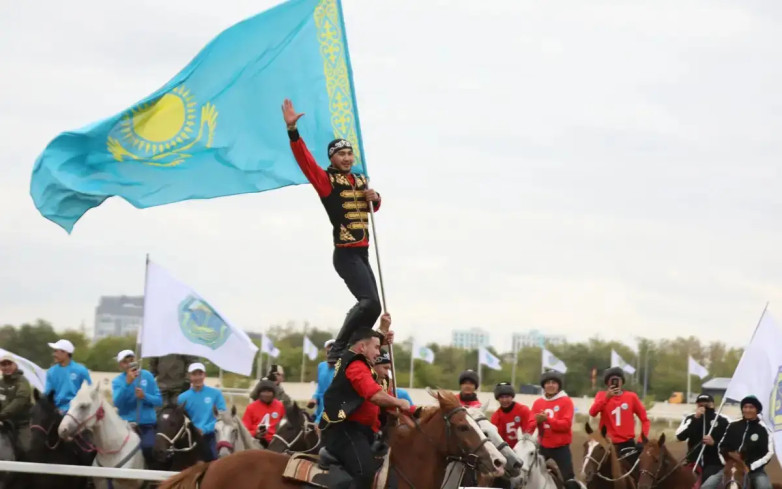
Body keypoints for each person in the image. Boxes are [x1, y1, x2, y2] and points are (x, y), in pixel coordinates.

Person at [283, 98, 383, 364]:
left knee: (374, 308)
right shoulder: (327, 182)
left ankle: (353, 348)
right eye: (341, 154)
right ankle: (338, 348)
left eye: (349, 154)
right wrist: (293, 132)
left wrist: (375, 198)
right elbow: (305, 162)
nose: (347, 158)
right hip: (346, 254)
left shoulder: (361, 180)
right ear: (332, 158)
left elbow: (371, 208)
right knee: (368, 302)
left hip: (363, 253)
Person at [321, 328, 411, 489]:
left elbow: (388, 403)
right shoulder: (356, 365)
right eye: (377, 348)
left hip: (366, 433)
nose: (379, 352)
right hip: (345, 431)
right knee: (365, 473)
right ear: (362, 347)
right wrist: (399, 402)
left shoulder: (371, 374)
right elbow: (374, 395)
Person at [701, 396, 773, 489]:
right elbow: (721, 446)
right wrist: (726, 463)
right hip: (731, 468)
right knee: (707, 486)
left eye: (751, 407)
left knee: (764, 486)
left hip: (754, 470)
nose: (747, 410)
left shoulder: (764, 429)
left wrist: (751, 466)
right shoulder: (733, 425)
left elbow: (768, 453)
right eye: (745, 407)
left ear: (757, 410)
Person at [111, 349, 162, 463]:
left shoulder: (148, 376)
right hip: (126, 424)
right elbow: (117, 403)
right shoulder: (117, 381)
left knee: (149, 447)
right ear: (120, 365)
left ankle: (150, 476)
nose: (129, 363)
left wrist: (145, 396)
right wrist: (127, 383)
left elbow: (159, 401)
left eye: (131, 359)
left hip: (146, 425)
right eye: (125, 361)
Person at [589, 367, 649, 458]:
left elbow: (645, 420)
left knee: (637, 468)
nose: (615, 382)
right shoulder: (601, 395)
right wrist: (606, 398)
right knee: (594, 465)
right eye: (612, 380)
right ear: (607, 382)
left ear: (622, 381)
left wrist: (641, 440)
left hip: (627, 443)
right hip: (607, 443)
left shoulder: (631, 397)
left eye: (618, 379)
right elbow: (592, 412)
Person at [528, 370, 575, 481]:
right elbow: (529, 426)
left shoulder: (566, 401)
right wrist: (536, 421)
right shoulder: (538, 403)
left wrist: (547, 419)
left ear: (558, 386)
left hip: (561, 448)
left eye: (554, 383)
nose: (550, 385)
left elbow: (566, 425)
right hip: (542, 447)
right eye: (548, 383)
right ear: (544, 385)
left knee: (569, 479)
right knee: (529, 474)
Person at [675, 393, 729, 484]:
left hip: (714, 463)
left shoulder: (723, 420)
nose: (704, 406)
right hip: (693, 461)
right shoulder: (690, 418)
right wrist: (696, 418)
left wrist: (714, 443)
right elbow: (679, 436)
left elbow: (728, 443)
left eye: (707, 404)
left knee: (706, 478)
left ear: (712, 404)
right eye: (700, 404)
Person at [177, 362, 227, 462]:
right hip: (191, 437)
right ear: (189, 376)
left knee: (215, 458)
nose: (197, 377)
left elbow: (222, 417)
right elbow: (180, 419)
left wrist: (204, 429)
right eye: (194, 374)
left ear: (204, 375)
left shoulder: (215, 394)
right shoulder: (182, 398)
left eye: (200, 374)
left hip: (211, 435)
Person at [43, 339, 91, 413]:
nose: (54, 354)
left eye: (56, 351)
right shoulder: (51, 372)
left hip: (76, 412)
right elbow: (47, 394)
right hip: (56, 411)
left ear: (65, 353)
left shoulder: (81, 370)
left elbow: (89, 391)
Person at [0, 354, 32, 456]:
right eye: (3, 364)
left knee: (25, 448)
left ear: (15, 365)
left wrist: (1, 415)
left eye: (9, 364)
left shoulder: (22, 382)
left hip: (22, 423)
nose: (6, 367)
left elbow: (19, 402)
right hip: (4, 422)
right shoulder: (0, 383)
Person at [242, 378, 285, 448]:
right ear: (259, 393)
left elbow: (285, 426)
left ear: (274, 393)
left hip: (276, 441)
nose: (266, 394)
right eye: (264, 391)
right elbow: (244, 431)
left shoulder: (280, 406)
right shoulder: (251, 407)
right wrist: (255, 433)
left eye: (269, 391)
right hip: (256, 441)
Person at [490, 382, 531, 449]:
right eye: (501, 397)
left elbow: (528, 434)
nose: (504, 400)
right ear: (497, 398)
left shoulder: (523, 410)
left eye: (507, 397)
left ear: (512, 397)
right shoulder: (495, 417)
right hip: (506, 451)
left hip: (523, 450)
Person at [308, 339, 337, 423]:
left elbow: (334, 397)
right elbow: (319, 388)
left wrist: (319, 420)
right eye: (328, 352)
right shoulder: (321, 366)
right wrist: (314, 398)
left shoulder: (341, 369)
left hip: (331, 415)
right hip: (318, 412)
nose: (330, 355)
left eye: (333, 352)